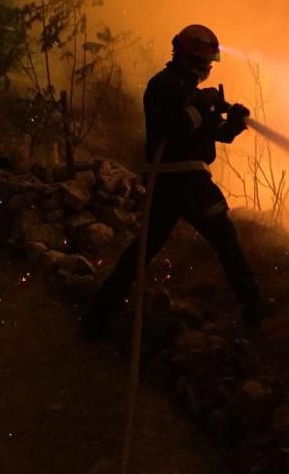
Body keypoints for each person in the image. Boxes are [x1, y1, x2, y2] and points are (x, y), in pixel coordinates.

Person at [81, 24, 274, 338]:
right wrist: (202, 104)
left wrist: (234, 122)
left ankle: (97, 317)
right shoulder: (164, 85)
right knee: (224, 238)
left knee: (142, 250)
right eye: (206, 63)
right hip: (183, 179)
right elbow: (172, 127)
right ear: (191, 58)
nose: (208, 69)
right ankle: (254, 306)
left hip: (174, 184)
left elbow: (217, 134)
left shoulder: (193, 93)